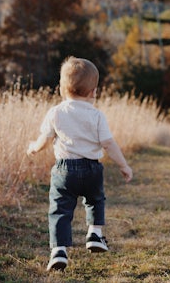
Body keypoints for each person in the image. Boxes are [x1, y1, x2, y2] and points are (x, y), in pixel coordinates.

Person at [27, 56, 133, 272]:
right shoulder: (96, 115)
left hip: (64, 170)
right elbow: (108, 143)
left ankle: (59, 251)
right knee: (95, 200)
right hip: (92, 168)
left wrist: (33, 148)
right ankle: (95, 233)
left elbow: (44, 140)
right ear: (94, 92)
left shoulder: (56, 112)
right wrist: (124, 165)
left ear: (60, 89)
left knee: (60, 210)